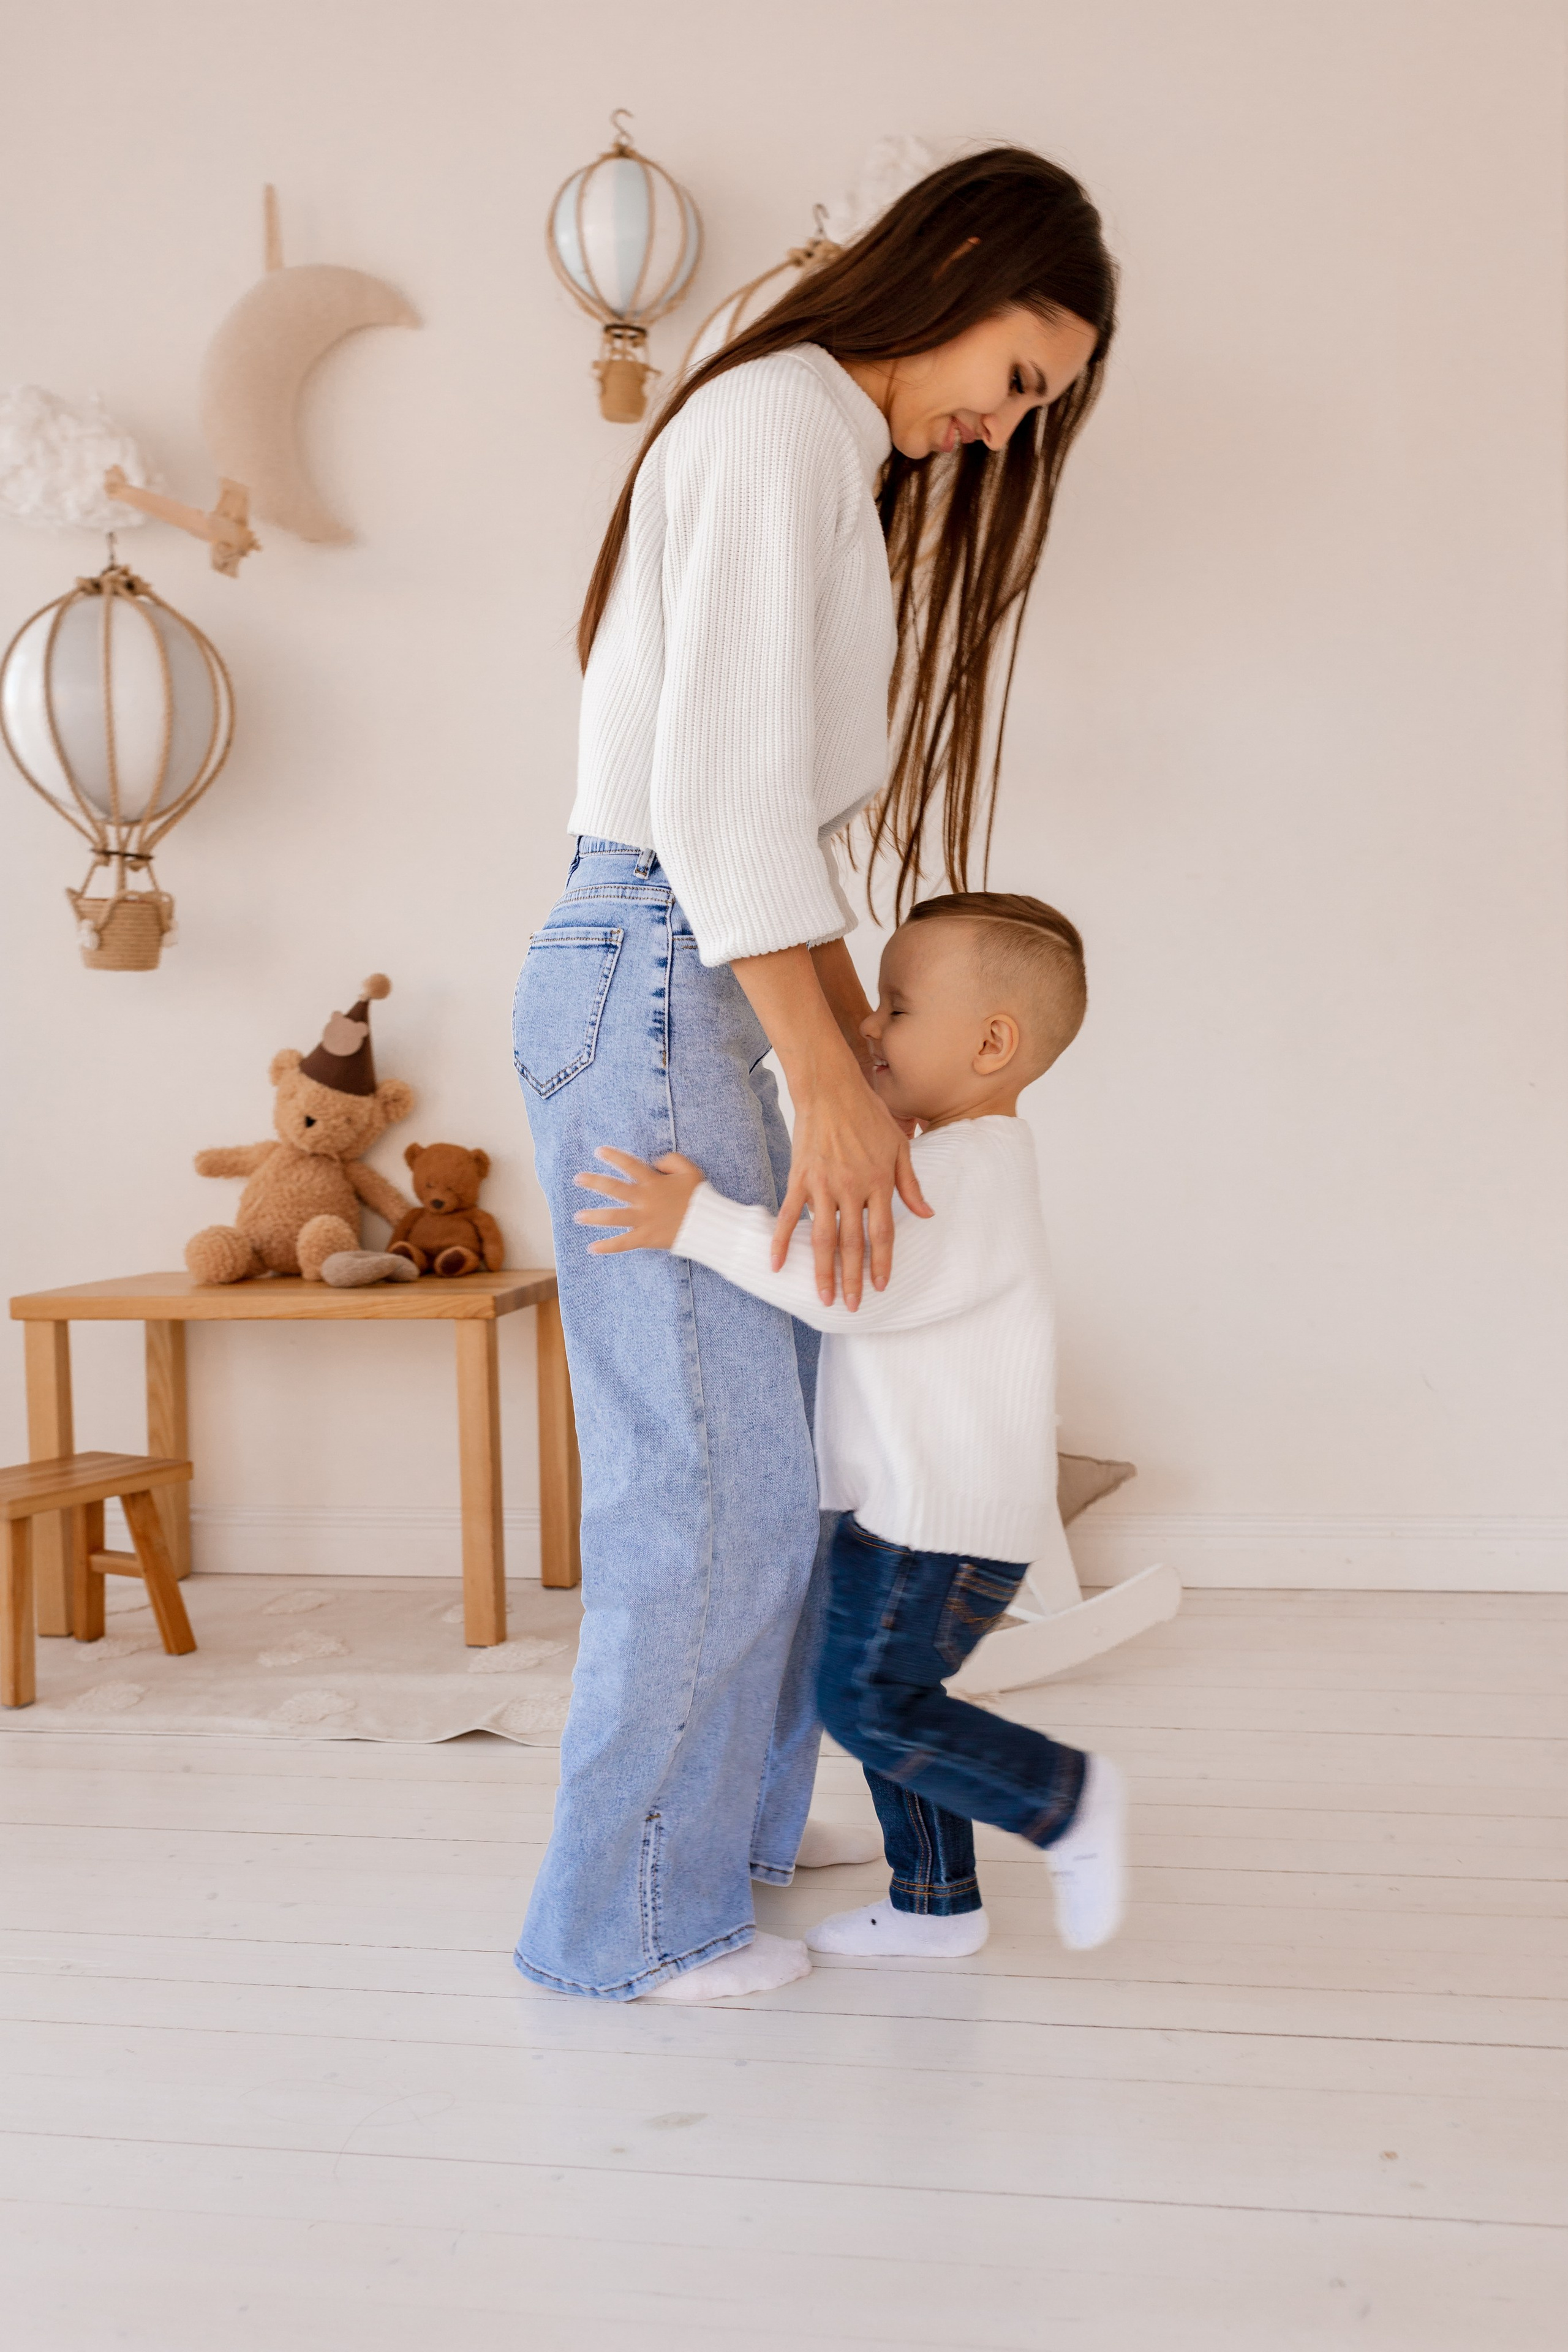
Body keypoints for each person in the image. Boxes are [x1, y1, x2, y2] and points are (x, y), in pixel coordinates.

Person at [512, 148, 1117, 2002]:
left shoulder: (810, 446)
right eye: (1020, 380)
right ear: (953, 270)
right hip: (662, 967)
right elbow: (714, 813)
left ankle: (737, 1840)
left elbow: (757, 816)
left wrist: (849, 1038)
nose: (1008, 433)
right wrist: (834, 1078)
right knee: (705, 1484)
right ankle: (630, 1922)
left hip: (689, 965)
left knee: (765, 1459)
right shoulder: (784, 425)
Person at [575, 893, 1127, 1960]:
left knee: (873, 1707)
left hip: (943, 1528)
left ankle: (1061, 1797)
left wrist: (697, 1224)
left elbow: (850, 1292)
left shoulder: (967, 1174)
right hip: (909, 1515)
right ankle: (936, 1906)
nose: (867, 1027)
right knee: (886, 1704)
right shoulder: (953, 1159)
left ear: (991, 1044)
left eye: (896, 1007)